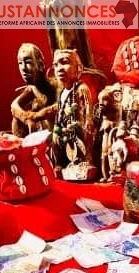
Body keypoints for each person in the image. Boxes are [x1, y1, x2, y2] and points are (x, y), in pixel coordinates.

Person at [51, 48, 96, 179]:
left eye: (64, 62)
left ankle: (85, 162)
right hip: (64, 129)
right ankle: (60, 164)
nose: (59, 68)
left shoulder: (81, 88)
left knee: (81, 137)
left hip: (78, 128)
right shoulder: (62, 92)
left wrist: (88, 121)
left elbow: (88, 111)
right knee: (55, 138)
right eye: (56, 65)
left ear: (79, 68)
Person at [10, 43, 56, 137]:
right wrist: (26, 119)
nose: (23, 68)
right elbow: (14, 106)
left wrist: (35, 91)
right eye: (20, 63)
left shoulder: (56, 85)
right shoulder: (27, 92)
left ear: (41, 65)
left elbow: (55, 106)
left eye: (28, 62)